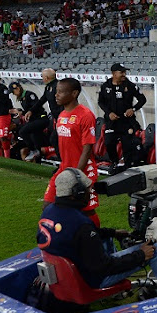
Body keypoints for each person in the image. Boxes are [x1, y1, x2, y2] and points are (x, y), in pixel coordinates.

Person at [37, 169, 157, 294]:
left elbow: (76, 236)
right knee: (156, 248)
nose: (89, 194)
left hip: (67, 277)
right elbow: (104, 266)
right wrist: (141, 254)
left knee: (105, 239)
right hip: (92, 280)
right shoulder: (82, 224)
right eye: (87, 190)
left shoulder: (49, 212)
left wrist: (112, 232)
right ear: (77, 193)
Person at [43, 78, 100, 228]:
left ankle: (99, 241)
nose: (56, 95)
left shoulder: (85, 115)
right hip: (64, 169)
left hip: (82, 171)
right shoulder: (61, 115)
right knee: (48, 204)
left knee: (87, 211)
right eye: (56, 92)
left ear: (74, 93)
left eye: (61, 92)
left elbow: (87, 148)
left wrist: (77, 175)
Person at [97, 63, 147, 173]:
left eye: (125, 72)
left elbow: (142, 99)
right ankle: (114, 162)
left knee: (128, 145)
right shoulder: (106, 86)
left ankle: (128, 167)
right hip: (112, 122)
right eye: (121, 72)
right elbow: (100, 102)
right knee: (109, 142)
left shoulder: (130, 86)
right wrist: (109, 112)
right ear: (114, 74)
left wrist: (133, 109)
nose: (124, 74)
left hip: (126, 122)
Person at [25, 68, 62, 159]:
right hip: (56, 118)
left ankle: (64, 161)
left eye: (42, 76)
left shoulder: (58, 86)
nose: (41, 78)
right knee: (55, 139)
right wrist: (31, 111)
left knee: (55, 139)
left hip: (62, 117)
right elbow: (42, 100)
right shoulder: (48, 87)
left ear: (46, 77)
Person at [9, 82, 47, 161]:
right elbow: (27, 110)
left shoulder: (29, 95)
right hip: (34, 120)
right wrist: (21, 112)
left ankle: (33, 151)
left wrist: (26, 112)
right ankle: (37, 156)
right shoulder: (22, 99)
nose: (14, 94)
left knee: (23, 131)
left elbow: (35, 106)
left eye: (13, 92)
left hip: (41, 118)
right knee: (35, 138)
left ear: (18, 89)